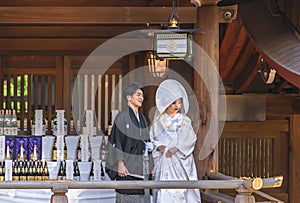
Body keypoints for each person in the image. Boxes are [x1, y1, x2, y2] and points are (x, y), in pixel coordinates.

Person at [150, 79, 201, 203]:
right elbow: (152, 140)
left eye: (179, 102)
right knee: (165, 191)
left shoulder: (185, 121)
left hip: (180, 161)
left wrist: (177, 148)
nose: (177, 106)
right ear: (166, 104)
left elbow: (191, 139)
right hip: (165, 161)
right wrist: (158, 147)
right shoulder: (158, 122)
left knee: (181, 191)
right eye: (173, 103)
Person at [105, 82, 154, 203]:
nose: (141, 98)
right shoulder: (122, 117)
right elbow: (116, 141)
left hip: (143, 164)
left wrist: (152, 165)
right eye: (138, 95)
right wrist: (120, 164)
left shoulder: (142, 118)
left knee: (145, 194)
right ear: (128, 97)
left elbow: (147, 141)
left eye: (142, 95)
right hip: (128, 165)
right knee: (129, 195)